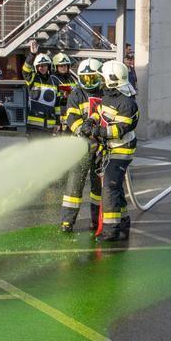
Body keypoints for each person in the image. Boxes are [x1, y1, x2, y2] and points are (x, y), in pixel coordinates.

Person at [86, 61, 139, 242]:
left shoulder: (127, 103)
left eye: (103, 77)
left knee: (109, 187)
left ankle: (110, 231)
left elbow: (118, 130)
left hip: (121, 150)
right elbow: (101, 111)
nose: (101, 80)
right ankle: (123, 224)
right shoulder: (109, 95)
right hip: (110, 148)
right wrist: (91, 121)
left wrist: (97, 131)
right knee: (115, 187)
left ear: (112, 79)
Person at [60, 58, 105, 233]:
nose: (88, 81)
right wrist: (85, 135)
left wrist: (99, 139)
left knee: (97, 187)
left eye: (92, 77)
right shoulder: (76, 94)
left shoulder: (105, 92)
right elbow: (72, 119)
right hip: (81, 147)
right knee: (74, 184)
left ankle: (95, 220)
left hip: (101, 148)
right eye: (85, 78)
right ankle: (67, 222)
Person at [23, 40, 58, 135]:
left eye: (44, 65)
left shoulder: (54, 81)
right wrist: (32, 54)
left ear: (48, 66)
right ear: (36, 67)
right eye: (39, 66)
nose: (42, 68)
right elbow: (25, 70)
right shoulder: (32, 78)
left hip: (50, 125)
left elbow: (57, 104)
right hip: (34, 125)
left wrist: (57, 123)